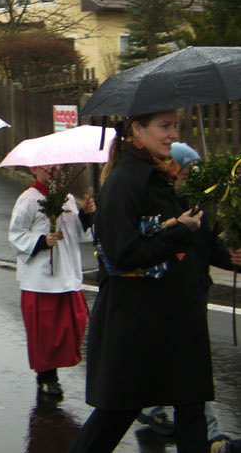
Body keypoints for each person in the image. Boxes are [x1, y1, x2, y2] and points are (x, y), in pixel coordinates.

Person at [68, 110, 212, 452]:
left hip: (176, 317)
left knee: (191, 408)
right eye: (164, 126)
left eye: (174, 125)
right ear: (137, 129)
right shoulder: (125, 182)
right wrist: (180, 232)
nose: (173, 133)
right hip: (140, 322)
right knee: (115, 415)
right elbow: (123, 253)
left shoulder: (161, 174)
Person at [137, 142, 241, 451]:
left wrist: (232, 258)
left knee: (179, 358)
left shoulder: (201, 207)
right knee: (192, 365)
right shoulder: (165, 208)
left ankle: (153, 407)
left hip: (196, 290)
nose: (190, 176)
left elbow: (210, 248)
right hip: (168, 293)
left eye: (194, 171)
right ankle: (210, 433)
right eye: (185, 171)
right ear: (172, 171)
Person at [8, 164, 94, 396]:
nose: (53, 170)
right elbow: (16, 234)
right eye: (47, 167)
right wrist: (42, 241)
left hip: (65, 271)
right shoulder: (28, 199)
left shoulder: (68, 198)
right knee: (45, 331)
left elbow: (78, 232)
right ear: (34, 170)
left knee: (71, 325)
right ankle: (47, 375)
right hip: (41, 277)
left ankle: (59, 364)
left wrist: (86, 215)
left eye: (56, 166)